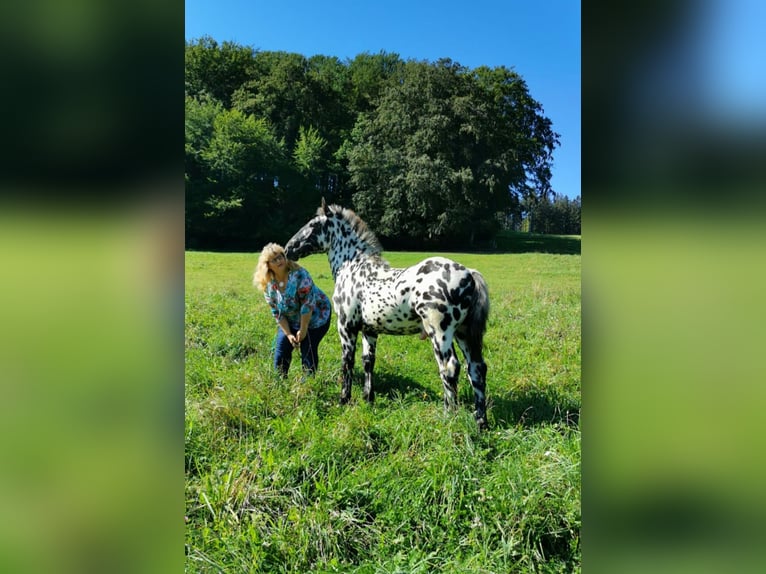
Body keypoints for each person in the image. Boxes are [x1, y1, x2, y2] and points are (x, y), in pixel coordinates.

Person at [253, 243, 332, 377]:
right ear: (267, 265)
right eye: (274, 259)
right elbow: (276, 312)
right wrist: (289, 334)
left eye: (281, 256)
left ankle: (308, 386)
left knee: (308, 349)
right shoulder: (268, 284)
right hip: (291, 320)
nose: (279, 261)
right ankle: (279, 385)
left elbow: (307, 304)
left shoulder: (300, 275)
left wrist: (303, 329)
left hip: (316, 316)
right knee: (281, 350)